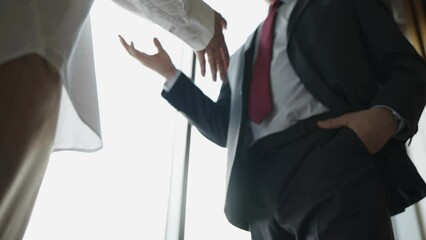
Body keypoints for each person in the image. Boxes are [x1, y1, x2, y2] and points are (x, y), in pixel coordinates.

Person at [120, 0, 426, 239]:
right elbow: (224, 128)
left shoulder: (340, 5)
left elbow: (406, 65)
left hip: (330, 157)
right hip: (260, 190)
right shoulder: (242, 55)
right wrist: (170, 74)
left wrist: (384, 119)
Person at [0, 0, 229, 239]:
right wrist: (202, 26)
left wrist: (201, 30)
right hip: (23, 47)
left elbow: (223, 128)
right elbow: (223, 125)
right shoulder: (246, 53)